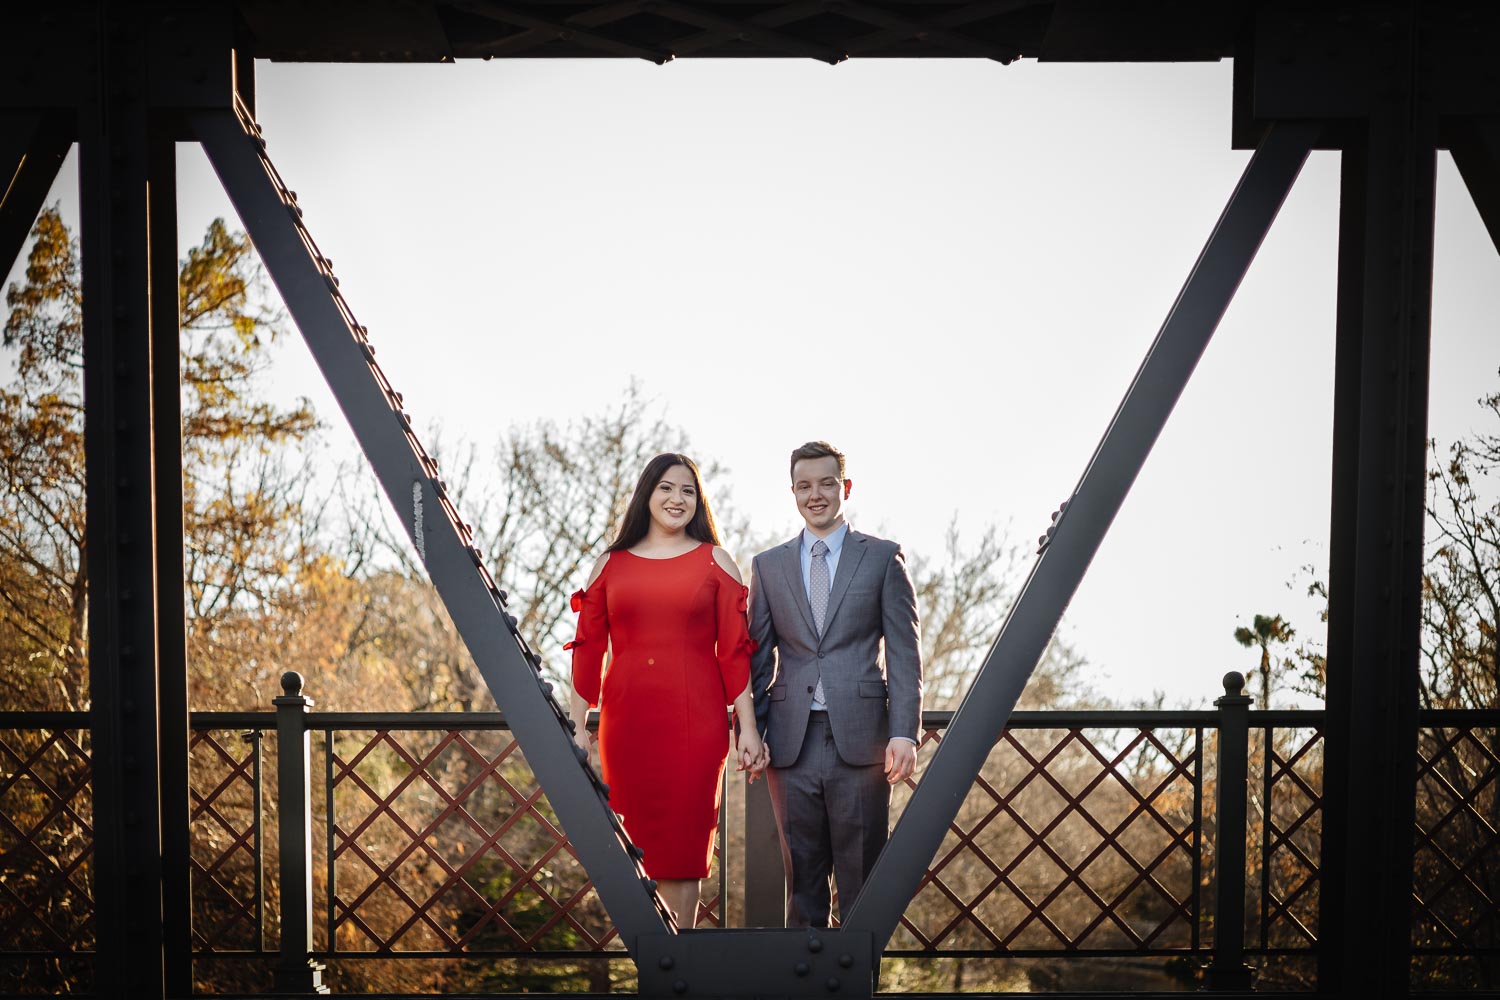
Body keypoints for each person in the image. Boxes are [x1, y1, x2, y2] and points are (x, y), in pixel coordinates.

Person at [568, 452, 763, 927]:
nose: (677, 499)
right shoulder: (609, 566)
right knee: (630, 854)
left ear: (699, 501)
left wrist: (749, 730)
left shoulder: (716, 562)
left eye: (688, 491)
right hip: (626, 726)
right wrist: (577, 728)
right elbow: (588, 652)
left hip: (695, 727)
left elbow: (734, 654)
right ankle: (651, 973)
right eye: (666, 488)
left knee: (684, 852)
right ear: (647, 495)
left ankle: (679, 965)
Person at [747, 440, 923, 928]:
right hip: (790, 743)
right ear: (793, 493)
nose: (816, 495)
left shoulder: (883, 558)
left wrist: (905, 731)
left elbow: (905, 654)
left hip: (863, 741)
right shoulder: (769, 565)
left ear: (845, 487)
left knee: (863, 883)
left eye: (826, 483)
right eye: (804, 486)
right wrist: (751, 732)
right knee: (801, 881)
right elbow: (757, 659)